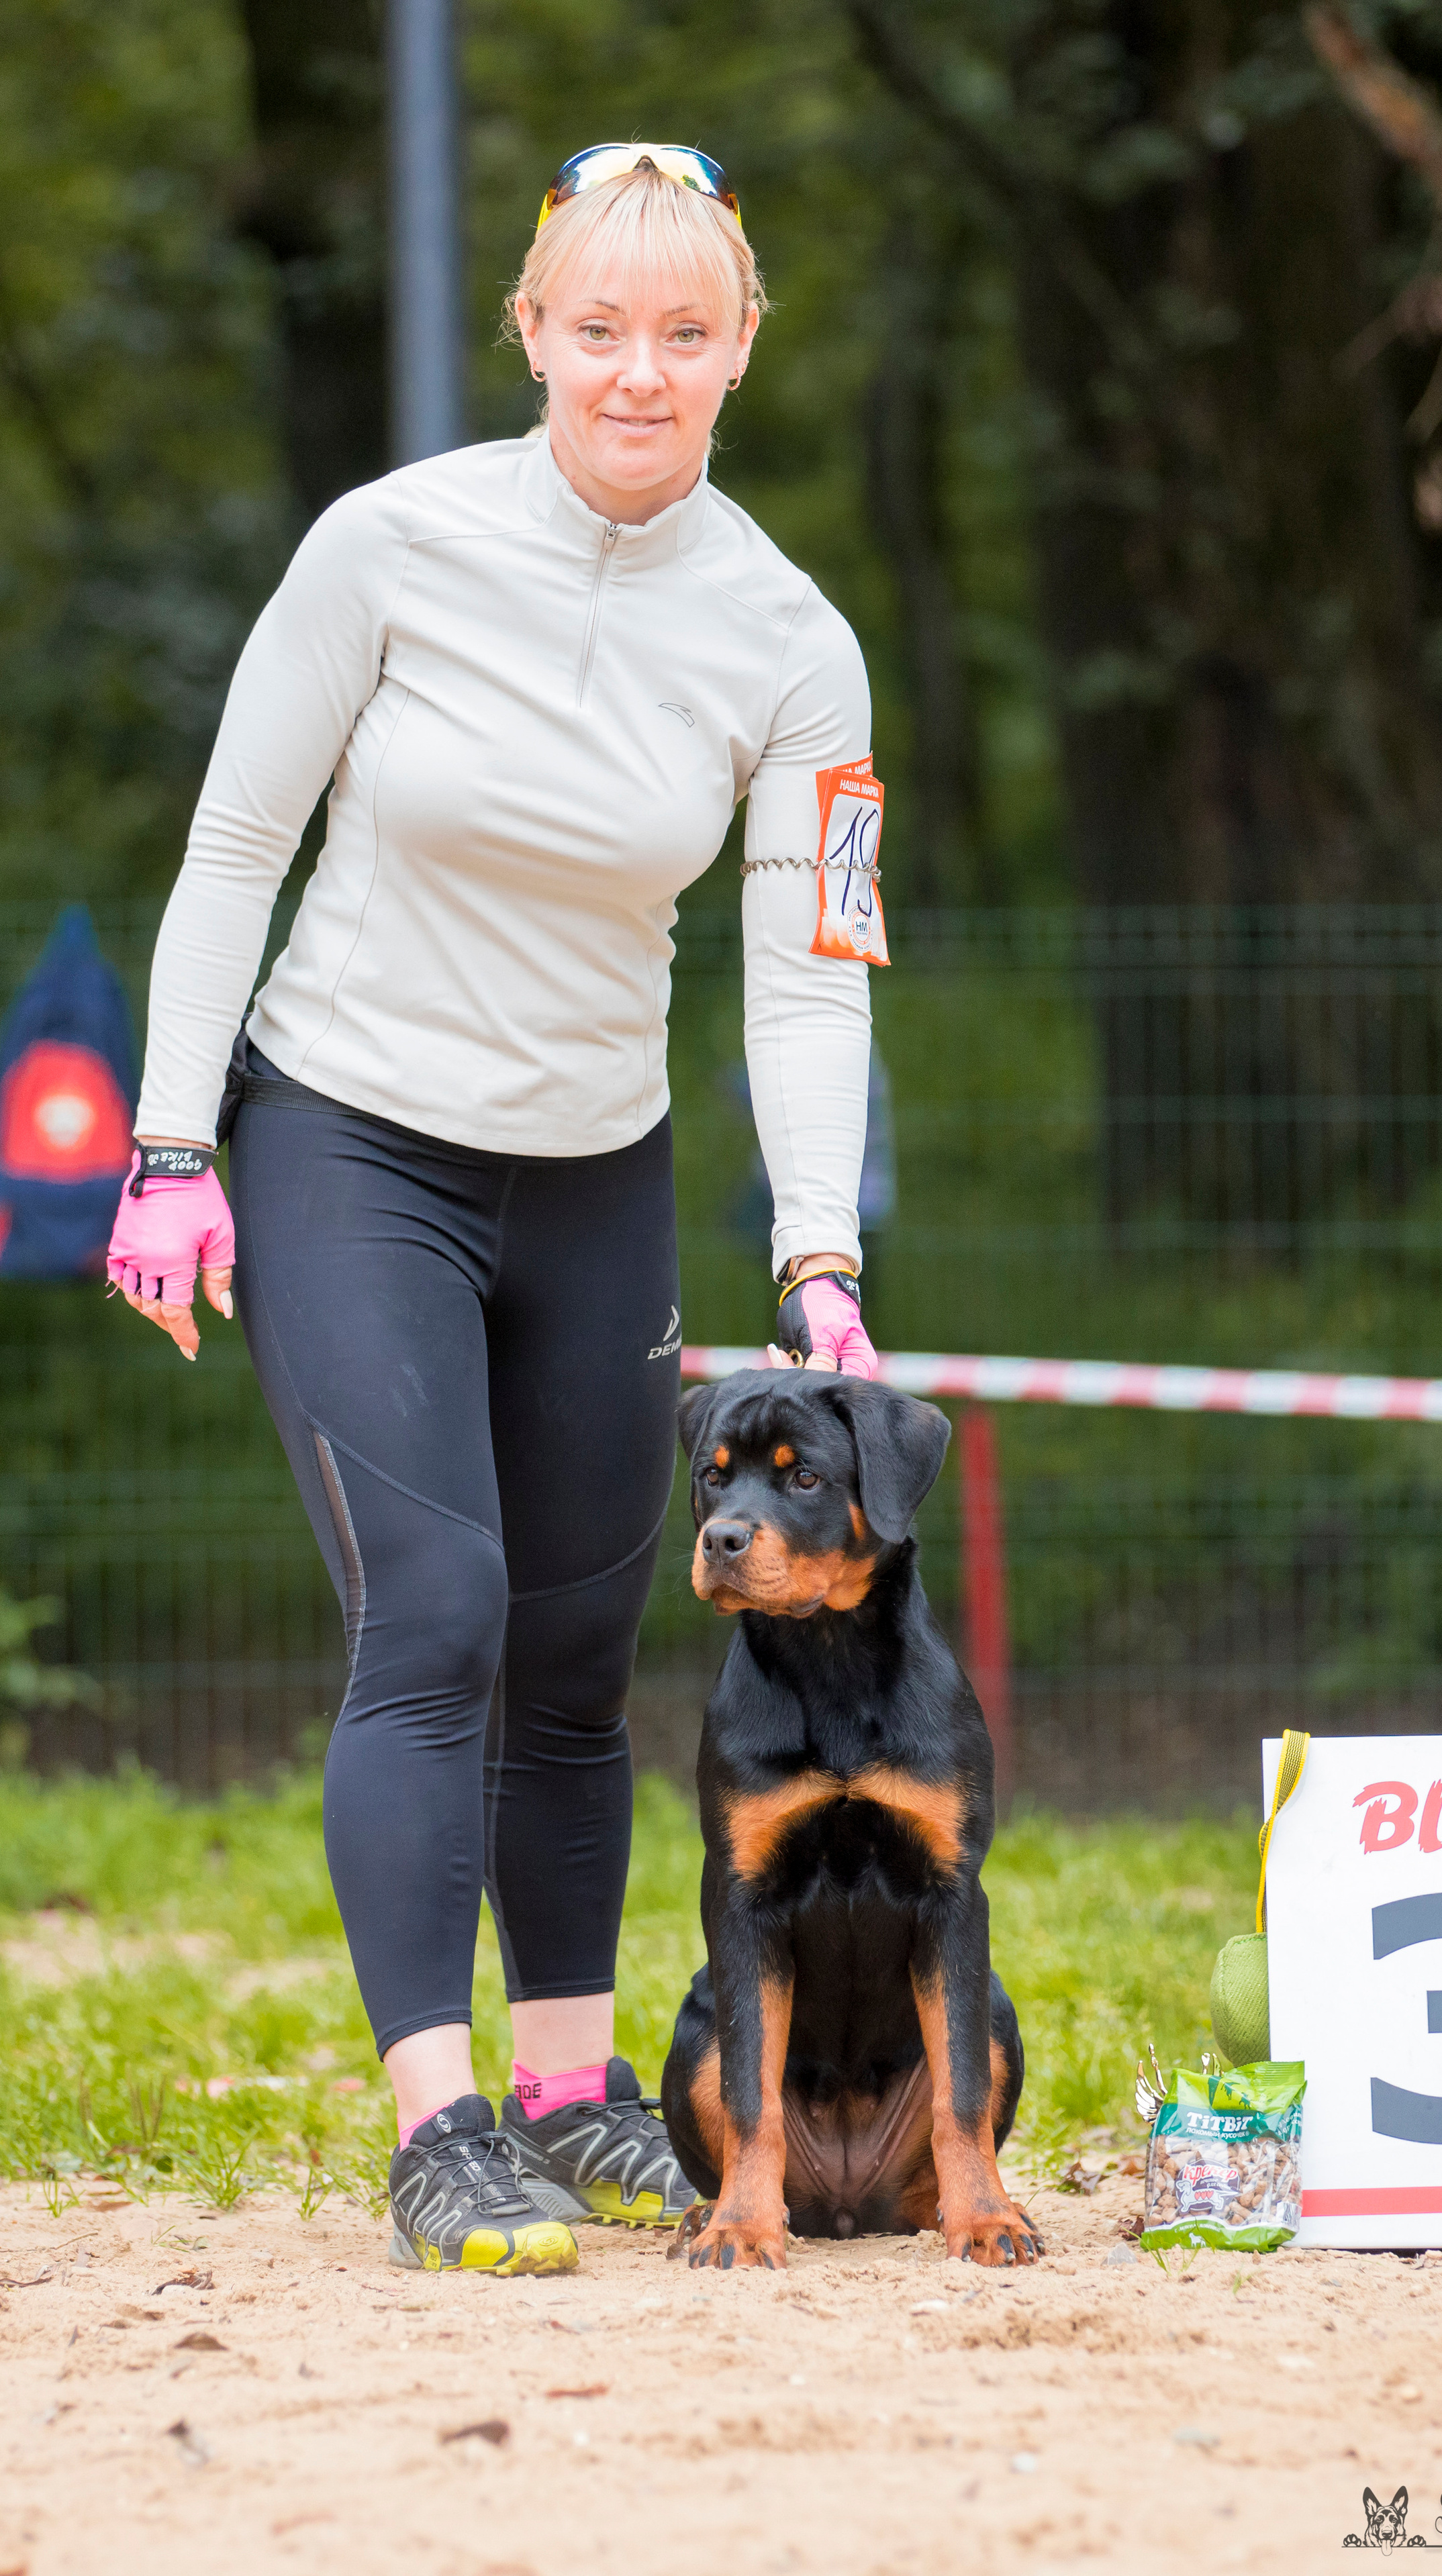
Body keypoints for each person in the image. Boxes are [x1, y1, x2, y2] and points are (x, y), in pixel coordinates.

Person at [105, 144, 881, 2275]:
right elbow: (234, 847)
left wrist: (819, 1252)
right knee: (432, 1614)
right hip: (350, 1138)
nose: (643, 370)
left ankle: (570, 2089)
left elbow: (810, 967)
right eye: (600, 327)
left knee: (570, 1653)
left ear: (740, 348)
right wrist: (176, 1146)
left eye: (688, 332)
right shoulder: (389, 546)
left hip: (597, 1176)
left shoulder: (794, 640)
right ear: (533, 330)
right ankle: (439, 2122)